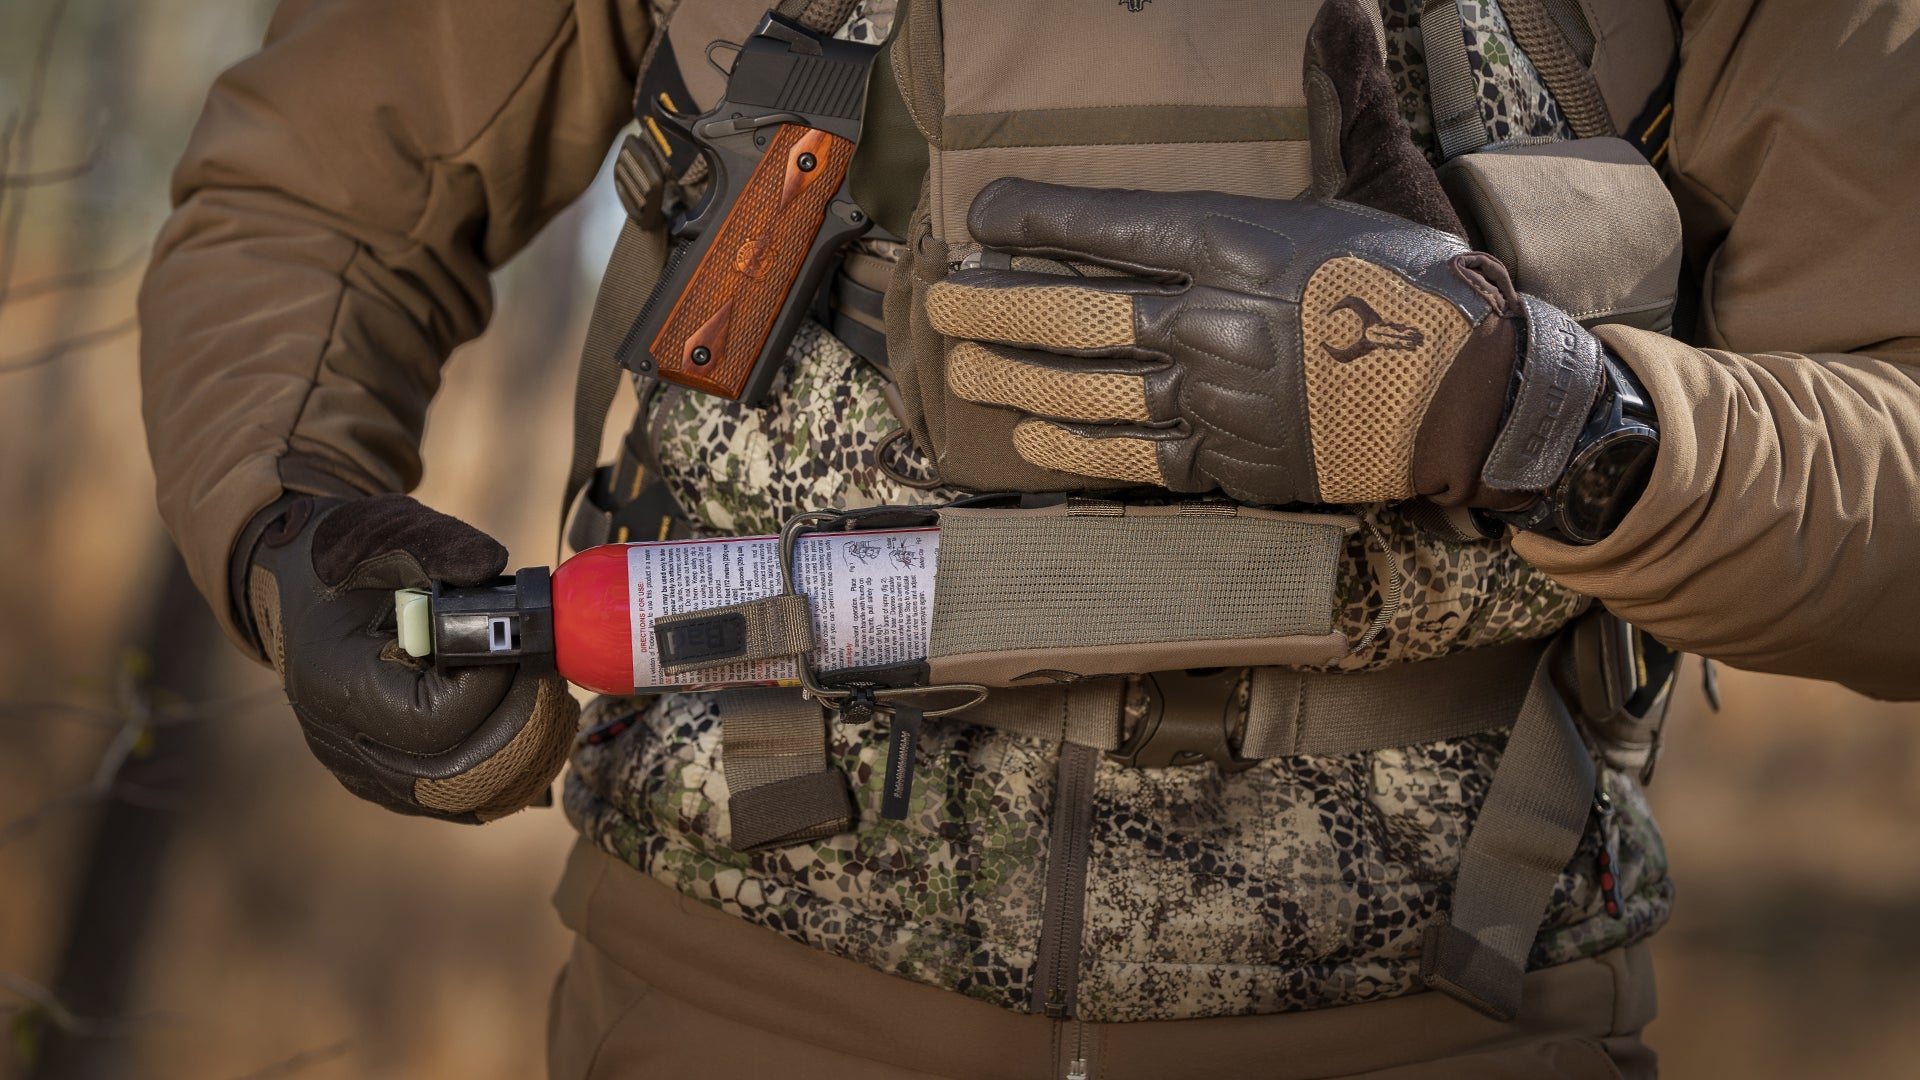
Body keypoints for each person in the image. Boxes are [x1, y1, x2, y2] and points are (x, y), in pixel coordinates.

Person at [138, 0, 1920, 1076]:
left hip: (1451, 1020)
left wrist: (1547, 421)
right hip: (729, 1007)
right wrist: (286, 528)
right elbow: (317, 194)